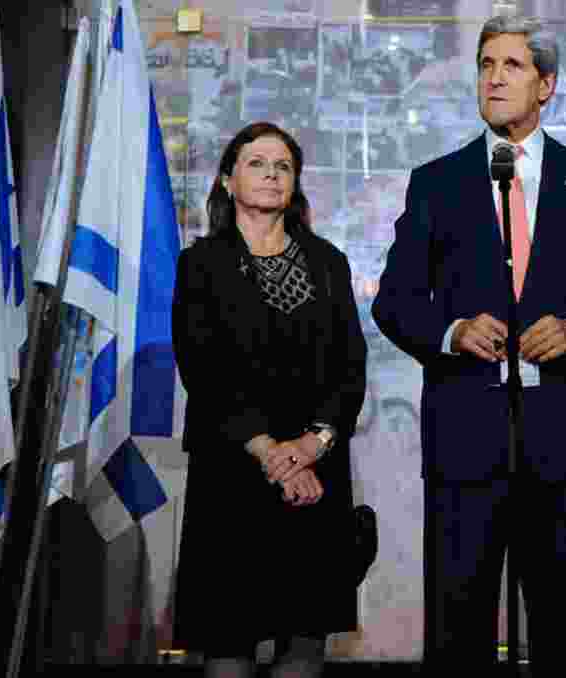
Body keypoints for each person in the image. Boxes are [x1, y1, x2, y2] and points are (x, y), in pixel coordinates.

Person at [371, 15, 566, 672]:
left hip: (558, 443)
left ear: (546, 85)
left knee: (557, 628)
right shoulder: (436, 182)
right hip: (464, 446)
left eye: (513, 66)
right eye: (486, 64)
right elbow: (395, 300)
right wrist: (451, 330)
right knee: (457, 631)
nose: (494, 78)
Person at [172, 122, 368, 678]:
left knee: (304, 645)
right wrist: (271, 453)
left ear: (296, 183)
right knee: (229, 645)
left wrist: (313, 443)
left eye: (283, 166)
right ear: (228, 179)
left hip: (317, 475)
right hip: (232, 473)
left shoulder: (329, 263)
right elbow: (204, 372)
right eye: (257, 162)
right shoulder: (201, 264)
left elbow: (349, 367)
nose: (271, 174)